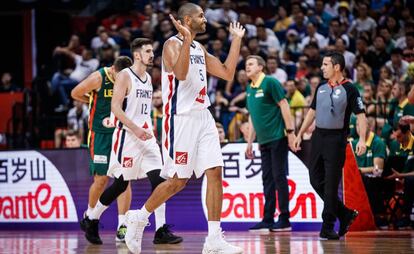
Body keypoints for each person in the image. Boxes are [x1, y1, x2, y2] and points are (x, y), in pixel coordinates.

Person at [123, 3, 245, 254]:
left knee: (215, 171)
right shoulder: (172, 44)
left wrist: (236, 40)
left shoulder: (200, 47)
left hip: (204, 116)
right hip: (180, 119)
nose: (205, 19)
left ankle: (213, 239)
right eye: (201, 16)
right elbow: (180, 73)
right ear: (187, 20)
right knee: (178, 180)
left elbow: (227, 72)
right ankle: (140, 216)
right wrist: (187, 41)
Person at [79, 39, 182, 245]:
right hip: (127, 137)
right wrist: (135, 128)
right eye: (147, 51)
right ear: (137, 55)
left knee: (160, 182)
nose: (152, 54)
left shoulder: (148, 78)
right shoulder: (125, 76)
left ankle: (160, 230)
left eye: (152, 50)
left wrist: (147, 128)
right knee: (119, 185)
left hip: (147, 139)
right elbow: (115, 108)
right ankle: (92, 219)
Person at [293, 51, 368, 240]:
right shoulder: (321, 87)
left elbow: (361, 115)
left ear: (336, 67)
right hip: (318, 136)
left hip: (336, 139)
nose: (321, 68)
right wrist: (300, 134)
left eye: (325, 64)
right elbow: (312, 112)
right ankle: (344, 213)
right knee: (315, 179)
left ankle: (327, 227)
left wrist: (362, 139)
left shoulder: (350, 89)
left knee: (331, 184)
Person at [71, 56, 133, 243]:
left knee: (125, 178)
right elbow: (75, 93)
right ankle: (90, 217)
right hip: (100, 134)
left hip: (120, 133)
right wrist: (91, 100)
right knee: (101, 179)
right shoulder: (99, 77)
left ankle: (123, 226)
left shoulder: (129, 78)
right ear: (113, 69)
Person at [244, 55, 296, 232]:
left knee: (278, 177)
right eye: (246, 65)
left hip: (278, 138)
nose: (247, 67)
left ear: (261, 67)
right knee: (267, 179)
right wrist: (250, 142)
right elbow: (253, 117)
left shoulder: (270, 82)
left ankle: (284, 219)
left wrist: (290, 133)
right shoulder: (249, 89)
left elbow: (284, 105)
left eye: (251, 64)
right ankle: (267, 219)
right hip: (263, 141)